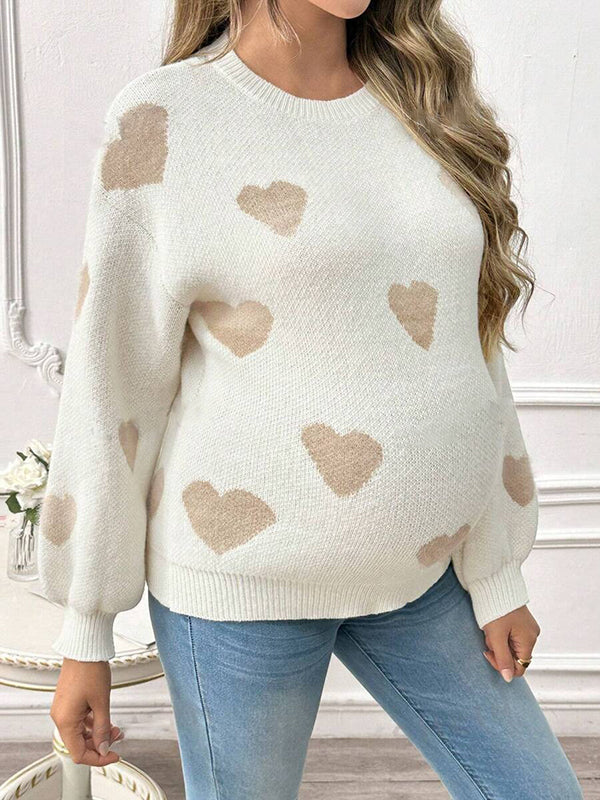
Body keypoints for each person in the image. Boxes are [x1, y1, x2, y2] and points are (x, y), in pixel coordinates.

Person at [38, 1, 584, 798]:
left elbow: (469, 348)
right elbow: (110, 382)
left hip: (424, 572)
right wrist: (85, 631)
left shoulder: (421, 96)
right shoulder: (167, 118)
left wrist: (497, 572)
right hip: (242, 589)